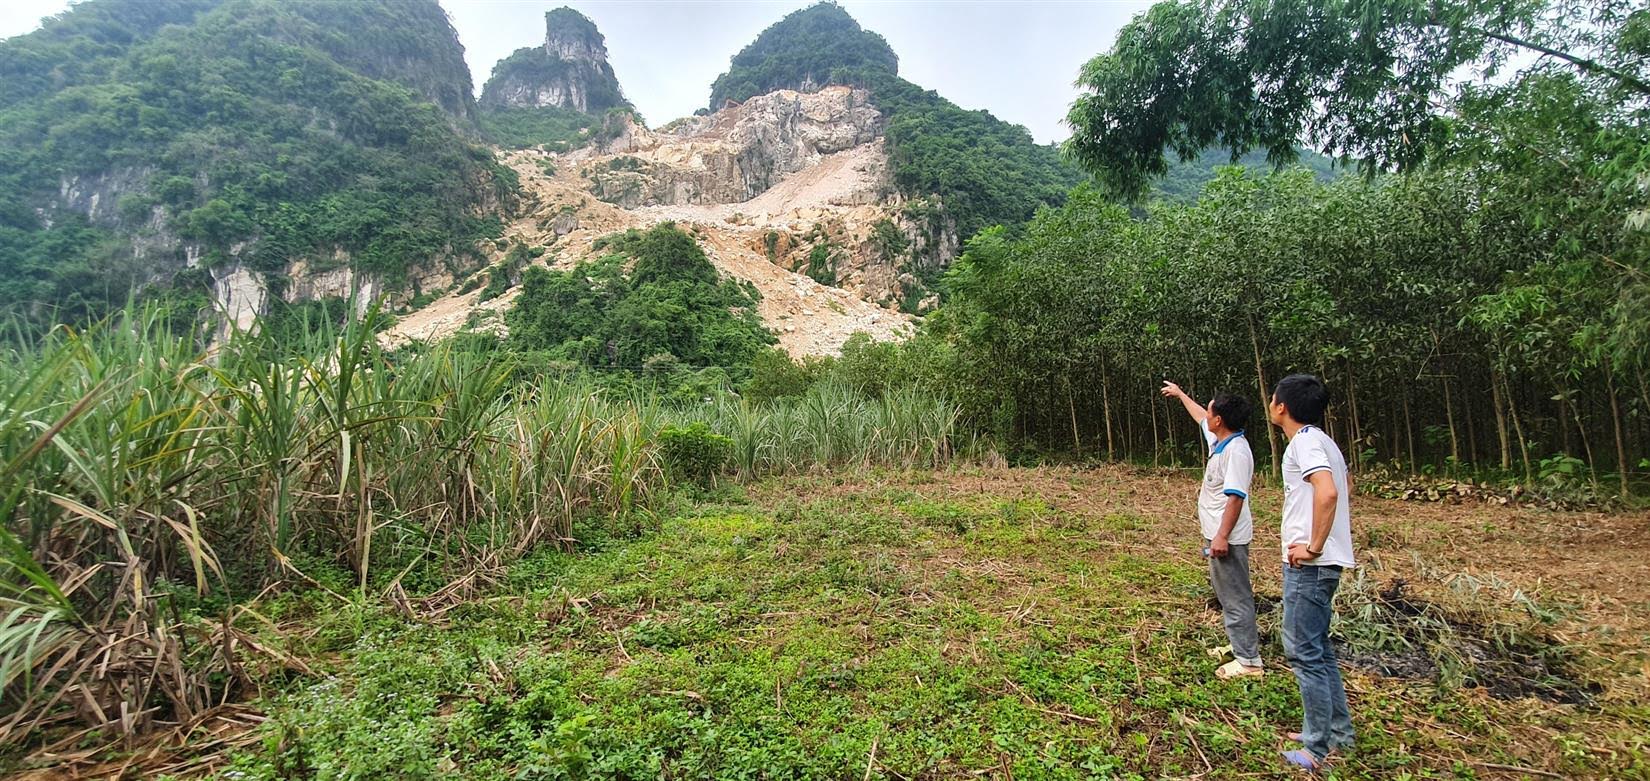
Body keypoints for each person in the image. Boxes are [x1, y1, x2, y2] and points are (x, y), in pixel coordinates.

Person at [1267, 373, 1356, 772]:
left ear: (1281, 406)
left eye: (1273, 398)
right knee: (1319, 648)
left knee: (1304, 651)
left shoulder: (1304, 443)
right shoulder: (1325, 442)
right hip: (1324, 563)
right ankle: (1337, 732)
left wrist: (1314, 545)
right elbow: (1344, 484)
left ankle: (1317, 748)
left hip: (1311, 565)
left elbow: (1330, 491)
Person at [1160, 381, 1261, 680]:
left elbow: (1236, 497)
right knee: (1226, 592)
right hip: (1219, 534)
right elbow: (1198, 416)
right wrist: (1180, 395)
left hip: (1227, 537)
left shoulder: (1237, 453)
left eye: (1211, 410)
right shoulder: (1222, 441)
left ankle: (1249, 661)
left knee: (1235, 595)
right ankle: (1238, 644)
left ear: (1219, 420)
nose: (1206, 413)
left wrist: (1221, 536)